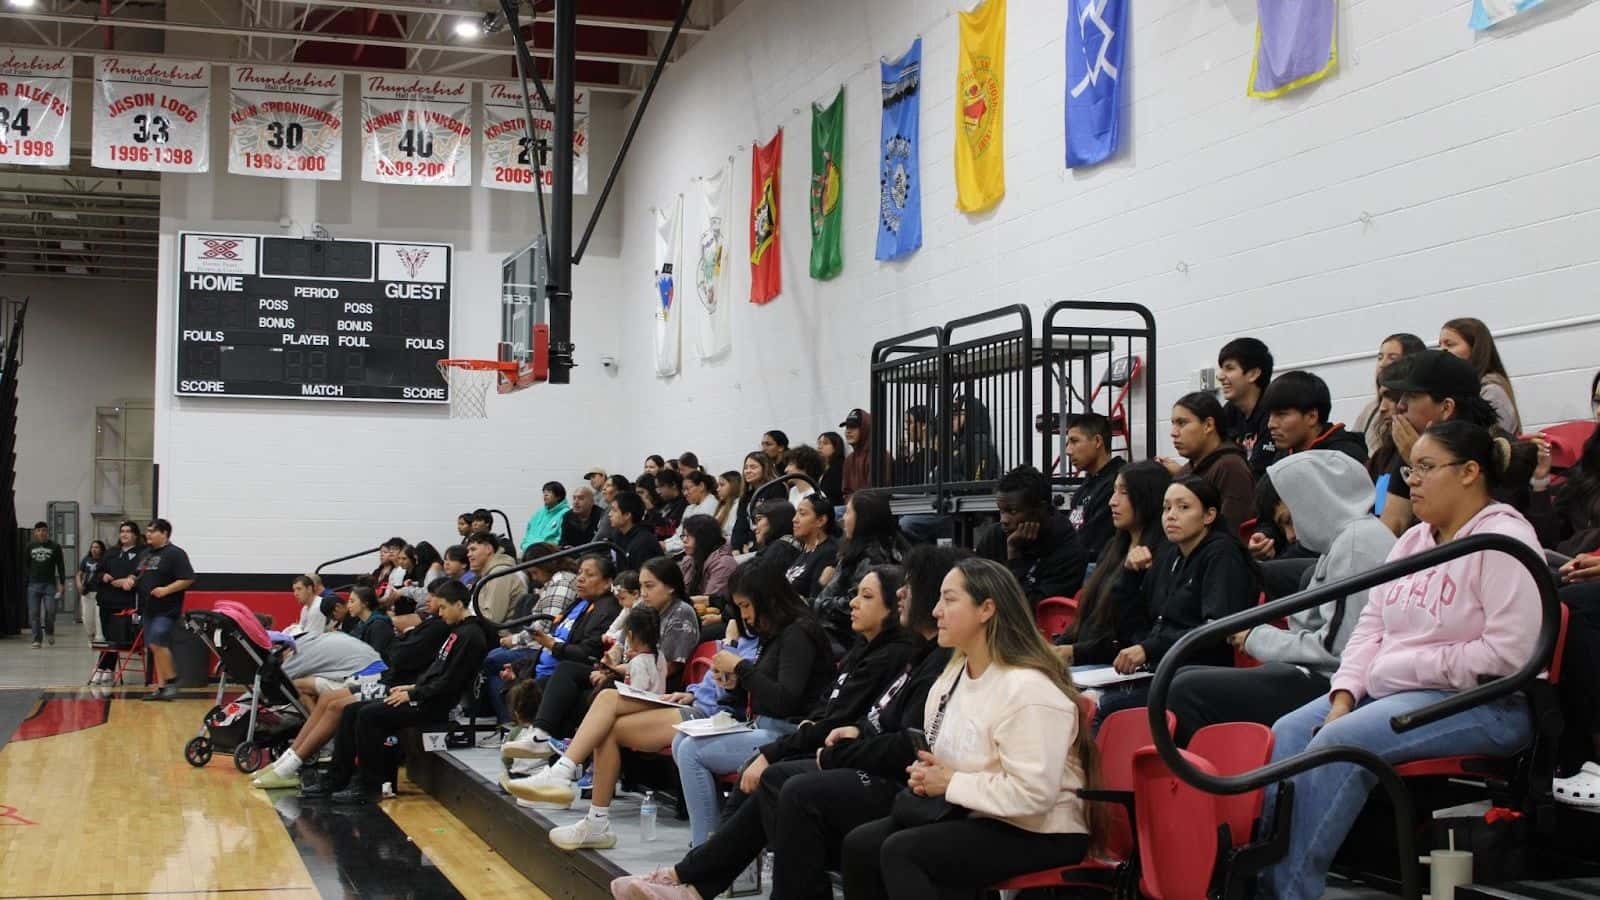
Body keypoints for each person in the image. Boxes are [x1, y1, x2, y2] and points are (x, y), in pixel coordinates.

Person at [1260, 421, 1541, 900]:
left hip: (1486, 703)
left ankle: (1289, 892)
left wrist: (1398, 670)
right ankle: (1259, 878)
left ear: (1471, 472)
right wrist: (1346, 692)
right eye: (1411, 469)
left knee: (1341, 743)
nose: (1411, 480)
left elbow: (1507, 656)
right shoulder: (1413, 540)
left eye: (1426, 468)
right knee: (1288, 731)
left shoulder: (1504, 541)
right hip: (1392, 691)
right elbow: (1372, 626)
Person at [611, 545, 964, 900]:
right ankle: (692, 877)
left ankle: (693, 874)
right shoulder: (876, 649)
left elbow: (800, 706)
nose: (852, 602)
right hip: (819, 738)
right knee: (745, 765)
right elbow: (852, 717)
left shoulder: (881, 651)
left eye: (867, 596)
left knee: (768, 774)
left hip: (823, 743)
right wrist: (736, 684)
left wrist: (745, 674)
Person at [841, 557, 1097, 900]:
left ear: (986, 609)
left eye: (949, 600)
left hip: (1043, 829)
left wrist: (950, 782)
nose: (935, 611)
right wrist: (929, 774)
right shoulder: (952, 675)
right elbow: (953, 756)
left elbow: (1033, 795)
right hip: (978, 812)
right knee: (861, 845)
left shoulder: (1029, 690)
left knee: (905, 853)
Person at [507, 561, 795, 840]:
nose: (643, 593)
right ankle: (583, 802)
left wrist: (730, 647)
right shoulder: (742, 633)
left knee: (607, 711)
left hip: (712, 715)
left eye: (649, 586)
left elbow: (731, 690)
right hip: (692, 701)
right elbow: (712, 681)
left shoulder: (757, 637)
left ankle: (570, 782)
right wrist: (693, 690)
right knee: (606, 699)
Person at [1167, 451, 1397, 743]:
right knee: (1181, 675)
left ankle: (1226, 783)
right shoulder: (1345, 542)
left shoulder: (1355, 545)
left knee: (1187, 690)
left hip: (1335, 683)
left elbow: (1336, 652)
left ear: (1313, 502)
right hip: (1322, 675)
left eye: (1290, 520)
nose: (1292, 536)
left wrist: (1256, 638)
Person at [305, 579, 490, 804]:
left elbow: (451, 682)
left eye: (443, 607)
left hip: (436, 705)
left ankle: (369, 784)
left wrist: (414, 694)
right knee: (351, 710)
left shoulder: (471, 636)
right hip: (425, 695)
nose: (440, 613)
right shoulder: (458, 632)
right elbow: (438, 673)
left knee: (368, 715)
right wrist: (412, 687)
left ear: (459, 604)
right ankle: (337, 778)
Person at [253, 584, 454, 790]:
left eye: (436, 598)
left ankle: (292, 766)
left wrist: (409, 679)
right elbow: (399, 653)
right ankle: (286, 761)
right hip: (388, 681)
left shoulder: (390, 625)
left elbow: (401, 655)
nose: (428, 599)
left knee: (336, 706)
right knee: (327, 699)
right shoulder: (424, 623)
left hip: (388, 683)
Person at [1095, 477, 1259, 720]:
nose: (1171, 515)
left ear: (1209, 515)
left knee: (1103, 706)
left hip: (1195, 678)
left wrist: (1148, 649)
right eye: (1166, 507)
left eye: (1183, 507)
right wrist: (1129, 576)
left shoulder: (1223, 555)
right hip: (1156, 671)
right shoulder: (1169, 554)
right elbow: (1131, 626)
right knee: (1079, 695)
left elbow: (1213, 629)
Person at [499, 555, 633, 751]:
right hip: (547, 669)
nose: (580, 578)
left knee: (557, 674)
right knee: (519, 678)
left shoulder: (607, 609)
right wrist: (520, 667)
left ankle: (540, 737)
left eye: (589, 574)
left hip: (582, 670)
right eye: (579, 573)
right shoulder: (580, 602)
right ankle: (535, 743)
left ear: (607, 583)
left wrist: (553, 646)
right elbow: (552, 640)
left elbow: (588, 651)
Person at [1054, 460, 1171, 666]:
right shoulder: (1112, 547)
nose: (1112, 501)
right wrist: (1059, 647)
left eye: (1123, 493)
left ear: (1148, 497)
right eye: (1114, 491)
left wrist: (1075, 652)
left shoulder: (1161, 557)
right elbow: (1088, 621)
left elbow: (1133, 637)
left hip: (1118, 667)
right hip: (1089, 660)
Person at [1377, 350, 1506, 536]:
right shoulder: (1414, 442)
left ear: (1446, 408)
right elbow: (1392, 525)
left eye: (1412, 395)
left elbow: (1465, 526)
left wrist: (1419, 462)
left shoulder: (1496, 451)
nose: (1400, 405)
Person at [976, 465, 1091, 607]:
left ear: (1041, 509)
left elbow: (1030, 610)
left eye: (1012, 511)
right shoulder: (995, 536)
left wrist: (1015, 556)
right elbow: (972, 590)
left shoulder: (1069, 552)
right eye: (1001, 511)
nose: (1003, 520)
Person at [814, 490, 904, 653]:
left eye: (848, 512)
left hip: (848, 637)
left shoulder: (874, 557)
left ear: (863, 519)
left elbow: (855, 604)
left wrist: (815, 604)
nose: (843, 519)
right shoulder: (856, 550)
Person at [1161, 391, 1257, 540]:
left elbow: (1232, 533)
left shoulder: (1230, 467)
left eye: (1182, 423)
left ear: (1208, 425)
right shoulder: (1184, 472)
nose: (1173, 433)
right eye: (1173, 424)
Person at [1530, 370, 1600, 554]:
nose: (1599, 410)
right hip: (1571, 567)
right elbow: (1547, 539)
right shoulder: (1591, 458)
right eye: (1598, 401)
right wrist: (1540, 480)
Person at [132, 519, 196, 701]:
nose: (148, 534)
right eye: (148, 531)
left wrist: (166, 590)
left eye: (152, 531)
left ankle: (172, 680)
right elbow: (138, 574)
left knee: (158, 640)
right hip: (148, 609)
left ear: (165, 533)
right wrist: (131, 580)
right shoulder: (145, 554)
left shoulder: (176, 554)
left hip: (166, 609)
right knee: (154, 646)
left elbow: (188, 579)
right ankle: (162, 688)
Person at [1261, 370, 1369, 465]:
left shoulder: (1346, 459)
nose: (1271, 424)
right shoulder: (1282, 458)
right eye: (1270, 415)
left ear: (1312, 417)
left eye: (1281, 414)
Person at [1441, 316, 1522, 434]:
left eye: (1449, 344)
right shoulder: (1460, 387)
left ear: (1475, 348)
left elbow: (1494, 443)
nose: (1442, 350)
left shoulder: (1491, 390)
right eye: (1440, 345)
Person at [1064, 412, 1127, 559]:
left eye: (1074, 441)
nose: (1068, 451)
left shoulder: (1118, 481)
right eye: (1068, 443)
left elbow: (1091, 542)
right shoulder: (1087, 485)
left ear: (1098, 441)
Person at [1355, 333, 1428, 456]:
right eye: (1380, 357)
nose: (1382, 364)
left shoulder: (1419, 413)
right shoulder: (1370, 409)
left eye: (1392, 358)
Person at [1218, 337, 1277, 478]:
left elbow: (1259, 473)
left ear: (1253, 374)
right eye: (1221, 369)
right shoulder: (1230, 411)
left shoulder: (1273, 414)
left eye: (1229, 368)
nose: (1220, 376)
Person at [92, 521, 143, 681]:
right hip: (107, 600)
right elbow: (98, 572)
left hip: (125, 602)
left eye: (128, 531)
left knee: (115, 636)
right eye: (122, 531)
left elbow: (140, 573)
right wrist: (103, 576)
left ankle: (103, 667)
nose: (124, 534)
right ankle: (106, 667)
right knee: (107, 636)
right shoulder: (111, 552)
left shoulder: (142, 553)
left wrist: (129, 580)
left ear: (135, 535)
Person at [464, 532, 527, 623]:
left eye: (473, 549)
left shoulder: (499, 574)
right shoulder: (491, 574)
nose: (468, 555)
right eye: (468, 551)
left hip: (499, 635)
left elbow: (492, 619)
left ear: (489, 549)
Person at [785, 495, 839, 598]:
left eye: (802, 514)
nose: (794, 519)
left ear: (821, 520)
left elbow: (816, 599)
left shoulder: (829, 553)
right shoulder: (805, 549)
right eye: (796, 513)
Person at [24, 521, 65, 649]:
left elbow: (61, 566)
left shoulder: (55, 546)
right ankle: (37, 639)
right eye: (39, 530)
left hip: (50, 585)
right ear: (35, 532)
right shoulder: (30, 546)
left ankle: (49, 631)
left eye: (44, 530)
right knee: (34, 613)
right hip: (33, 584)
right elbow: (25, 565)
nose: (41, 533)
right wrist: (27, 581)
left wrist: (62, 583)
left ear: (47, 532)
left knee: (51, 610)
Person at [680, 514, 738, 601]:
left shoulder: (724, 564)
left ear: (704, 538)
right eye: (684, 535)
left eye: (689, 536)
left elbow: (711, 602)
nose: (684, 540)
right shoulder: (689, 560)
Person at [665, 472, 720, 554]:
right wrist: (665, 543)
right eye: (683, 490)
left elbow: (695, 539)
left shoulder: (711, 505)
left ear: (701, 486)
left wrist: (666, 546)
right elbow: (680, 533)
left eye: (687, 489)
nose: (685, 493)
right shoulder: (689, 507)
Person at [608, 491, 664, 572]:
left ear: (627, 515)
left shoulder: (644, 542)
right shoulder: (618, 535)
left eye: (614, 510)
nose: (609, 514)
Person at [733, 452, 775, 552]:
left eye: (753, 467)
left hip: (767, 545)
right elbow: (740, 524)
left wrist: (752, 546)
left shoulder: (776, 488)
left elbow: (772, 523)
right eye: (746, 467)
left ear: (765, 468)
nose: (748, 471)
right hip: (747, 545)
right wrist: (736, 547)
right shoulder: (746, 495)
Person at [751, 500, 803, 571]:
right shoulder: (785, 545)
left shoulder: (779, 549)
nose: (754, 528)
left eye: (759, 520)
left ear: (775, 520)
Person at [520, 482, 571, 553]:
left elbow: (561, 540)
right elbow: (528, 533)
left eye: (549, 492)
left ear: (559, 496)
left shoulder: (566, 514)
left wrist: (543, 549)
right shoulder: (538, 513)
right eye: (544, 492)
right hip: (528, 550)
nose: (545, 495)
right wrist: (524, 545)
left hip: (549, 554)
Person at [345, 585, 394, 655]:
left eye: (352, 601)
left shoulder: (379, 625)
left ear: (365, 603)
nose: (348, 606)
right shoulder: (361, 623)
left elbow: (377, 655)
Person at [77, 539, 107, 647]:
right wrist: (79, 584)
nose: (94, 549)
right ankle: (91, 634)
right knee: (87, 617)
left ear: (101, 549)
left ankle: (99, 638)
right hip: (87, 592)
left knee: (98, 616)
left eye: (97, 547)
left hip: (100, 593)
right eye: (92, 547)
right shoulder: (86, 560)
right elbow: (79, 574)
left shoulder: (105, 560)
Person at [841, 407, 875, 501]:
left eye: (853, 427)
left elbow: (876, 493)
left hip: (873, 507)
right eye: (847, 427)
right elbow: (846, 492)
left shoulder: (879, 456)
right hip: (852, 507)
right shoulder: (849, 459)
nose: (848, 431)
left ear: (865, 428)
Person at [653, 469, 690, 541]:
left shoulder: (683, 504)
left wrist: (651, 510)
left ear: (673, 485)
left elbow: (670, 530)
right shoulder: (667, 502)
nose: (658, 491)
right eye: (656, 487)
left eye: (660, 486)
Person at [817, 431, 847, 503]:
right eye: (819, 443)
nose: (820, 447)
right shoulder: (821, 467)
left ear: (836, 446)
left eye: (825, 443)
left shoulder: (840, 466)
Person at [713, 470, 742, 540]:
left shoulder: (738, 505)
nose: (718, 489)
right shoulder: (721, 506)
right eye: (718, 485)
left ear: (733, 486)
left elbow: (730, 533)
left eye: (722, 485)